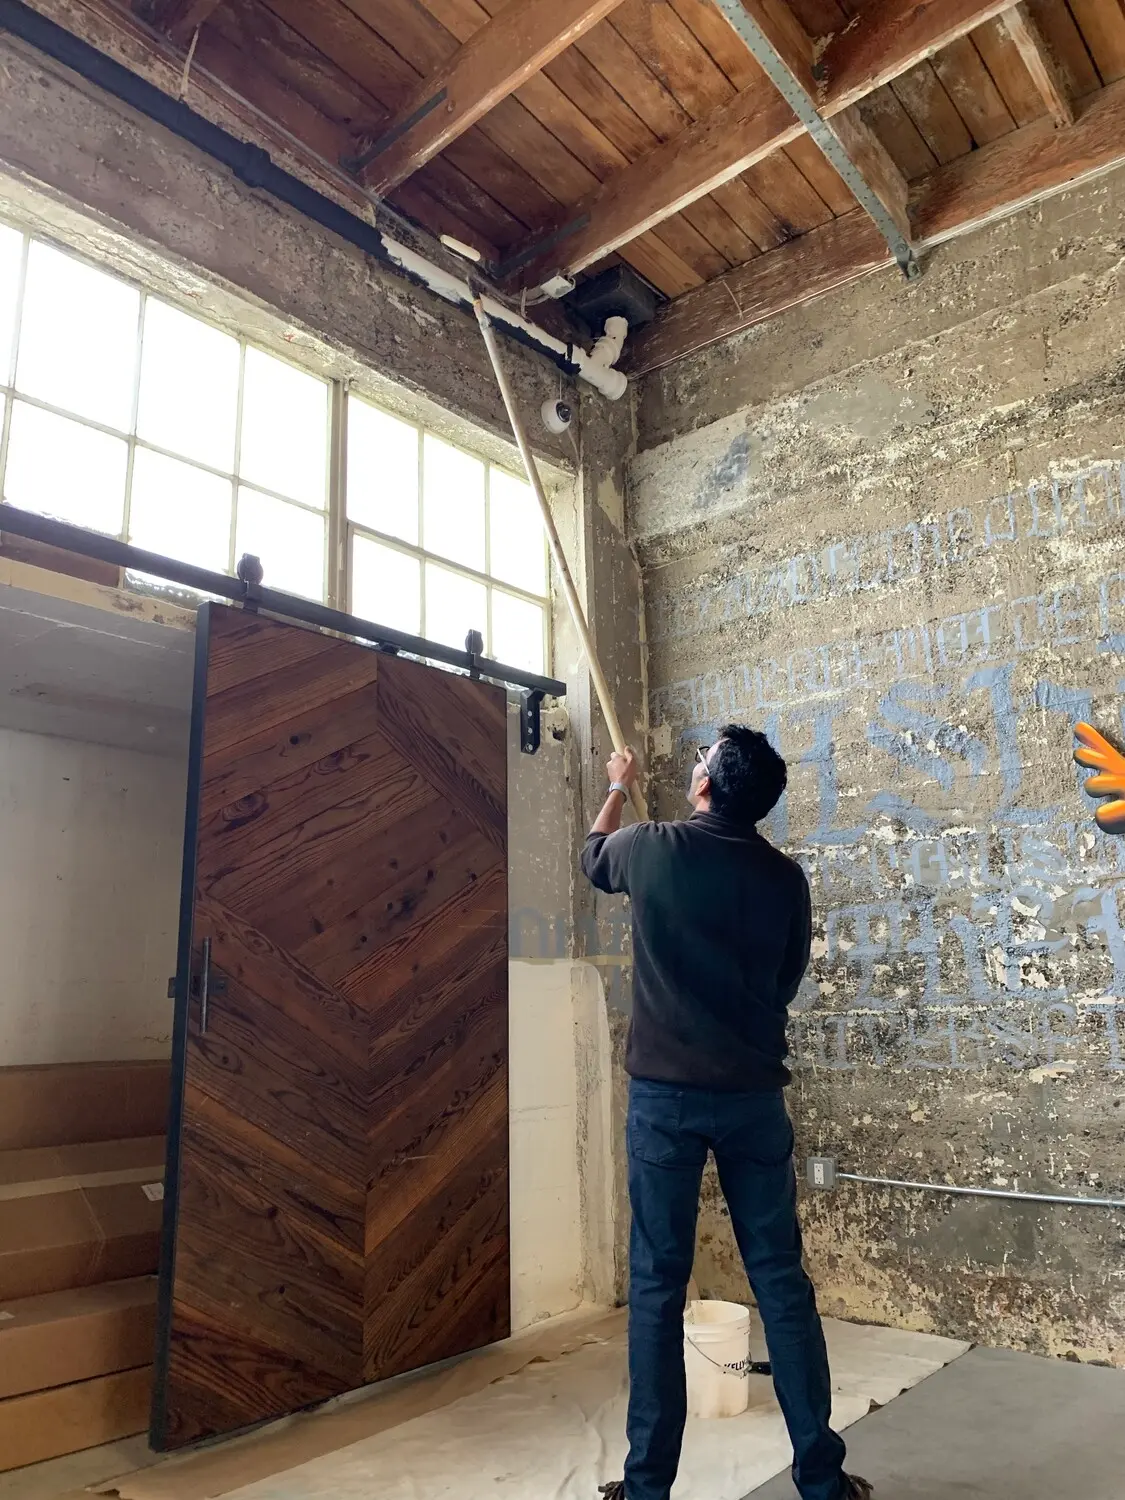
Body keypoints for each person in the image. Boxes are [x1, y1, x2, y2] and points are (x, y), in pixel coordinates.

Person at [581, 726, 871, 1500]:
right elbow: (784, 981)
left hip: (664, 1103)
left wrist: (616, 782)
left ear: (707, 783)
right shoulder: (784, 878)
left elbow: (591, 857)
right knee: (780, 1282)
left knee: (656, 1286)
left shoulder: (648, 846)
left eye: (701, 757)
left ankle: (646, 1488)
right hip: (752, 1098)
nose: (695, 764)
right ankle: (822, 1481)